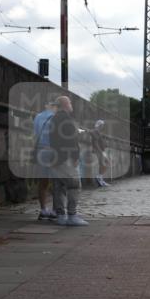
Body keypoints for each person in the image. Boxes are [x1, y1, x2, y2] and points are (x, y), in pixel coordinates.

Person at [47, 96, 88, 226]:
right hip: (66, 158)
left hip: (55, 157)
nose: (71, 105)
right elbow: (71, 140)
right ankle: (72, 215)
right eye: (70, 103)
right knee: (74, 185)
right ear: (65, 104)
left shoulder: (53, 118)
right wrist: (75, 157)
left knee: (59, 187)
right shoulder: (67, 119)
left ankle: (60, 215)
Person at [32, 99, 57, 220]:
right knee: (57, 181)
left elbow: (35, 134)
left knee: (43, 182)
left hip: (40, 150)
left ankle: (43, 210)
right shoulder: (56, 117)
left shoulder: (38, 116)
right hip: (53, 150)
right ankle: (55, 210)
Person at [89, 120, 109, 187]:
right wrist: (100, 152)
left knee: (106, 163)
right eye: (102, 125)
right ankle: (100, 178)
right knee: (103, 164)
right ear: (99, 125)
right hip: (98, 150)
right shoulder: (95, 131)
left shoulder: (99, 132)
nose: (103, 126)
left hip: (102, 150)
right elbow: (95, 143)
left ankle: (100, 177)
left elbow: (100, 141)